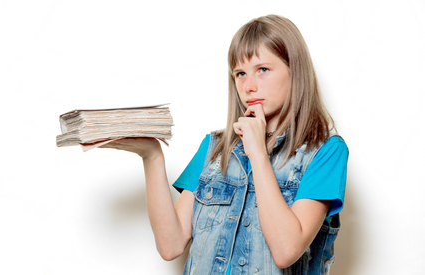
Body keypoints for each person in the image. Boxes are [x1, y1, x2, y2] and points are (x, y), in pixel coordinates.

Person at [102, 14, 348, 275]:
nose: (248, 86)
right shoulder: (214, 147)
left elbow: (286, 250)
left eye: (263, 70)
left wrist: (257, 153)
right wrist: (151, 156)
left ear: (294, 71)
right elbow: (170, 245)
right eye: (240, 73)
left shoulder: (326, 152)